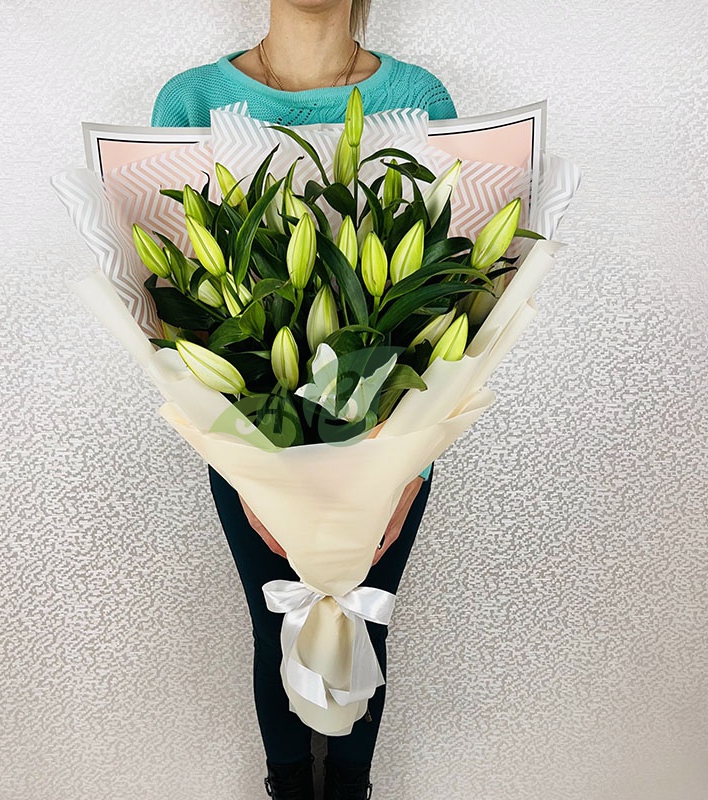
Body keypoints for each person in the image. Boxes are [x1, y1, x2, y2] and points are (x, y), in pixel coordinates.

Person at [151, 1, 457, 797]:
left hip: (391, 437)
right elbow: (173, 310)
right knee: (275, 625)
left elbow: (448, 313)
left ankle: (351, 787)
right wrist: (249, 472)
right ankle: (287, 785)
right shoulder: (189, 102)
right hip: (245, 437)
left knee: (366, 619)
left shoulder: (420, 97)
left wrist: (407, 469)